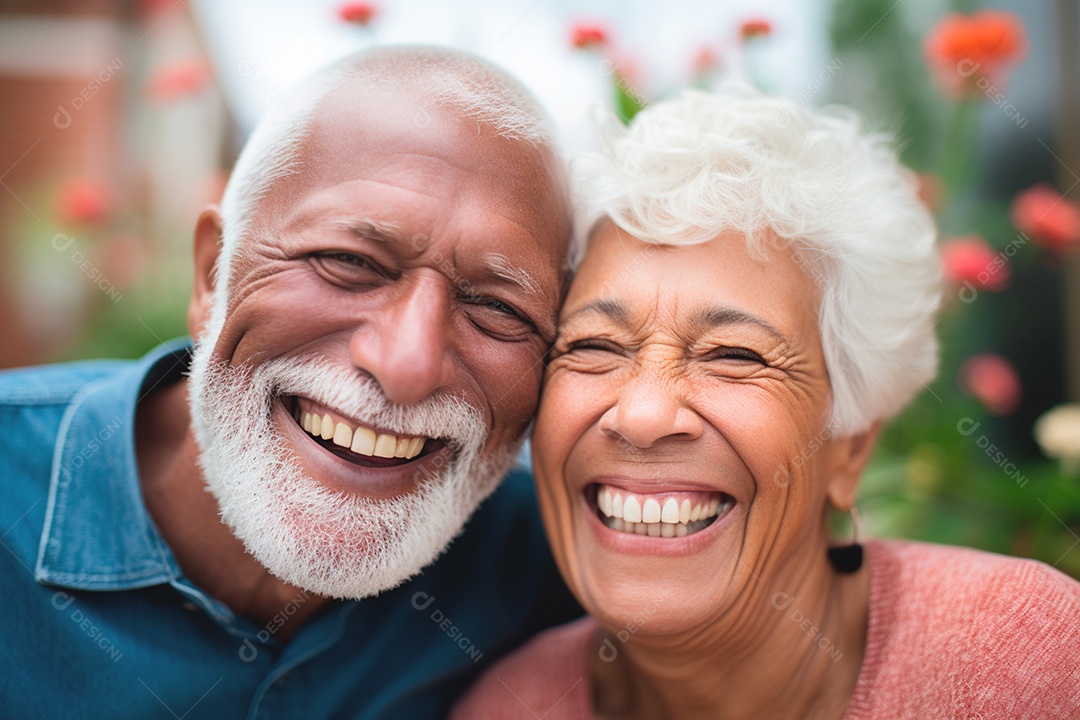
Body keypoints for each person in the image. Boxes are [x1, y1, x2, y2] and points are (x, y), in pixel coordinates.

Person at [452, 85, 1080, 719]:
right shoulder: (512, 706)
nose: (642, 417)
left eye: (734, 355)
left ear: (850, 447)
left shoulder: (1019, 661)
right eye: (594, 346)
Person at [0, 46, 581, 718]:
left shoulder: (547, 564)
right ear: (212, 275)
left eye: (497, 309)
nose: (407, 367)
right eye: (348, 262)